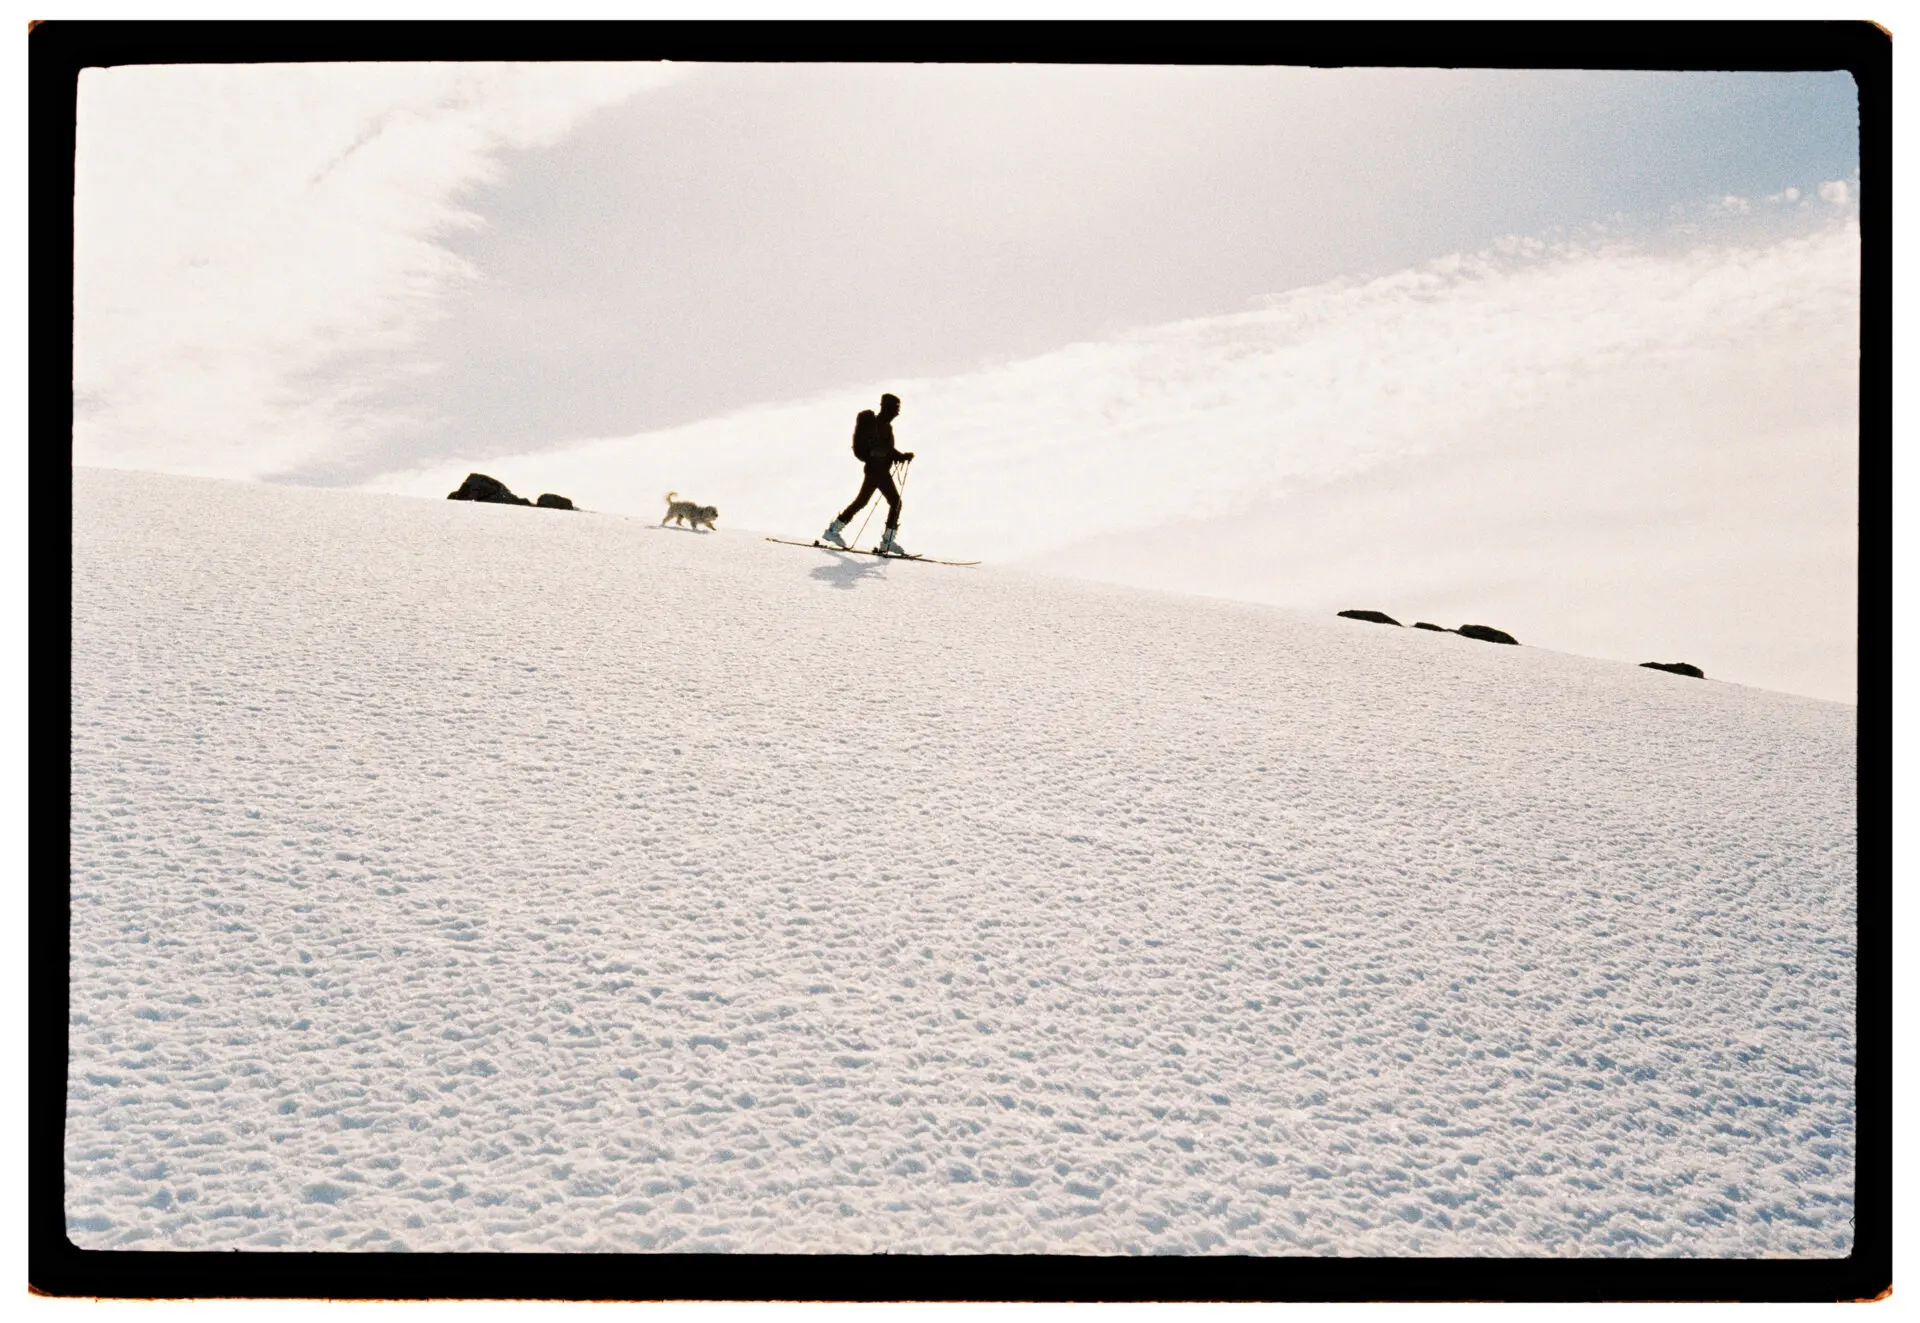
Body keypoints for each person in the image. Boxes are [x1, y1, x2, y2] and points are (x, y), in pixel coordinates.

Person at [822, 393, 914, 555]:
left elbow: (887, 449)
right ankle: (887, 541)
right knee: (894, 502)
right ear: (887, 409)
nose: (895, 414)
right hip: (876, 470)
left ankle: (834, 530)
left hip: (878, 470)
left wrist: (901, 456)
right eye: (894, 410)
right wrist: (898, 456)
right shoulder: (877, 425)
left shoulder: (884, 426)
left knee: (864, 501)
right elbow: (883, 449)